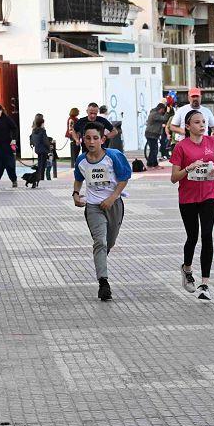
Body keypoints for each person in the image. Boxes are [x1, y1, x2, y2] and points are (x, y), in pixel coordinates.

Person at [73, 122, 132, 302]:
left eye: (95, 138)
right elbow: (78, 179)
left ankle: (101, 262)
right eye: (88, 138)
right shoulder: (81, 160)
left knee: (109, 242)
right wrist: (76, 194)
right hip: (93, 207)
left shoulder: (113, 156)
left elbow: (124, 178)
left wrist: (112, 197)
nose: (91, 142)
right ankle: (103, 283)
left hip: (114, 205)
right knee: (100, 242)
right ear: (83, 139)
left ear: (102, 139)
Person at [170, 110, 214, 301]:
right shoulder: (181, 147)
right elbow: (173, 178)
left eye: (204, 122)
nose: (202, 125)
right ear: (188, 126)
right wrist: (188, 168)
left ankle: (205, 285)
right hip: (188, 198)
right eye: (197, 122)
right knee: (192, 237)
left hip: (208, 195)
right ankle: (187, 269)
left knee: (207, 235)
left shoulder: (212, 142)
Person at [29, 114, 50, 189]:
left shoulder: (34, 130)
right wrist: (49, 147)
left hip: (38, 149)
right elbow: (45, 141)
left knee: (40, 164)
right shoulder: (42, 131)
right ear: (42, 123)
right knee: (43, 165)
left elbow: (31, 138)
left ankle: (38, 177)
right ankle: (41, 178)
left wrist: (32, 144)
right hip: (44, 150)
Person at [144, 103, 167, 168]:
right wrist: (168, 112)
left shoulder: (154, 113)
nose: (164, 111)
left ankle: (150, 163)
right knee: (154, 149)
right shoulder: (155, 114)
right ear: (161, 109)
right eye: (163, 110)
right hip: (151, 134)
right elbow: (164, 119)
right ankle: (155, 164)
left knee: (152, 149)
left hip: (151, 134)